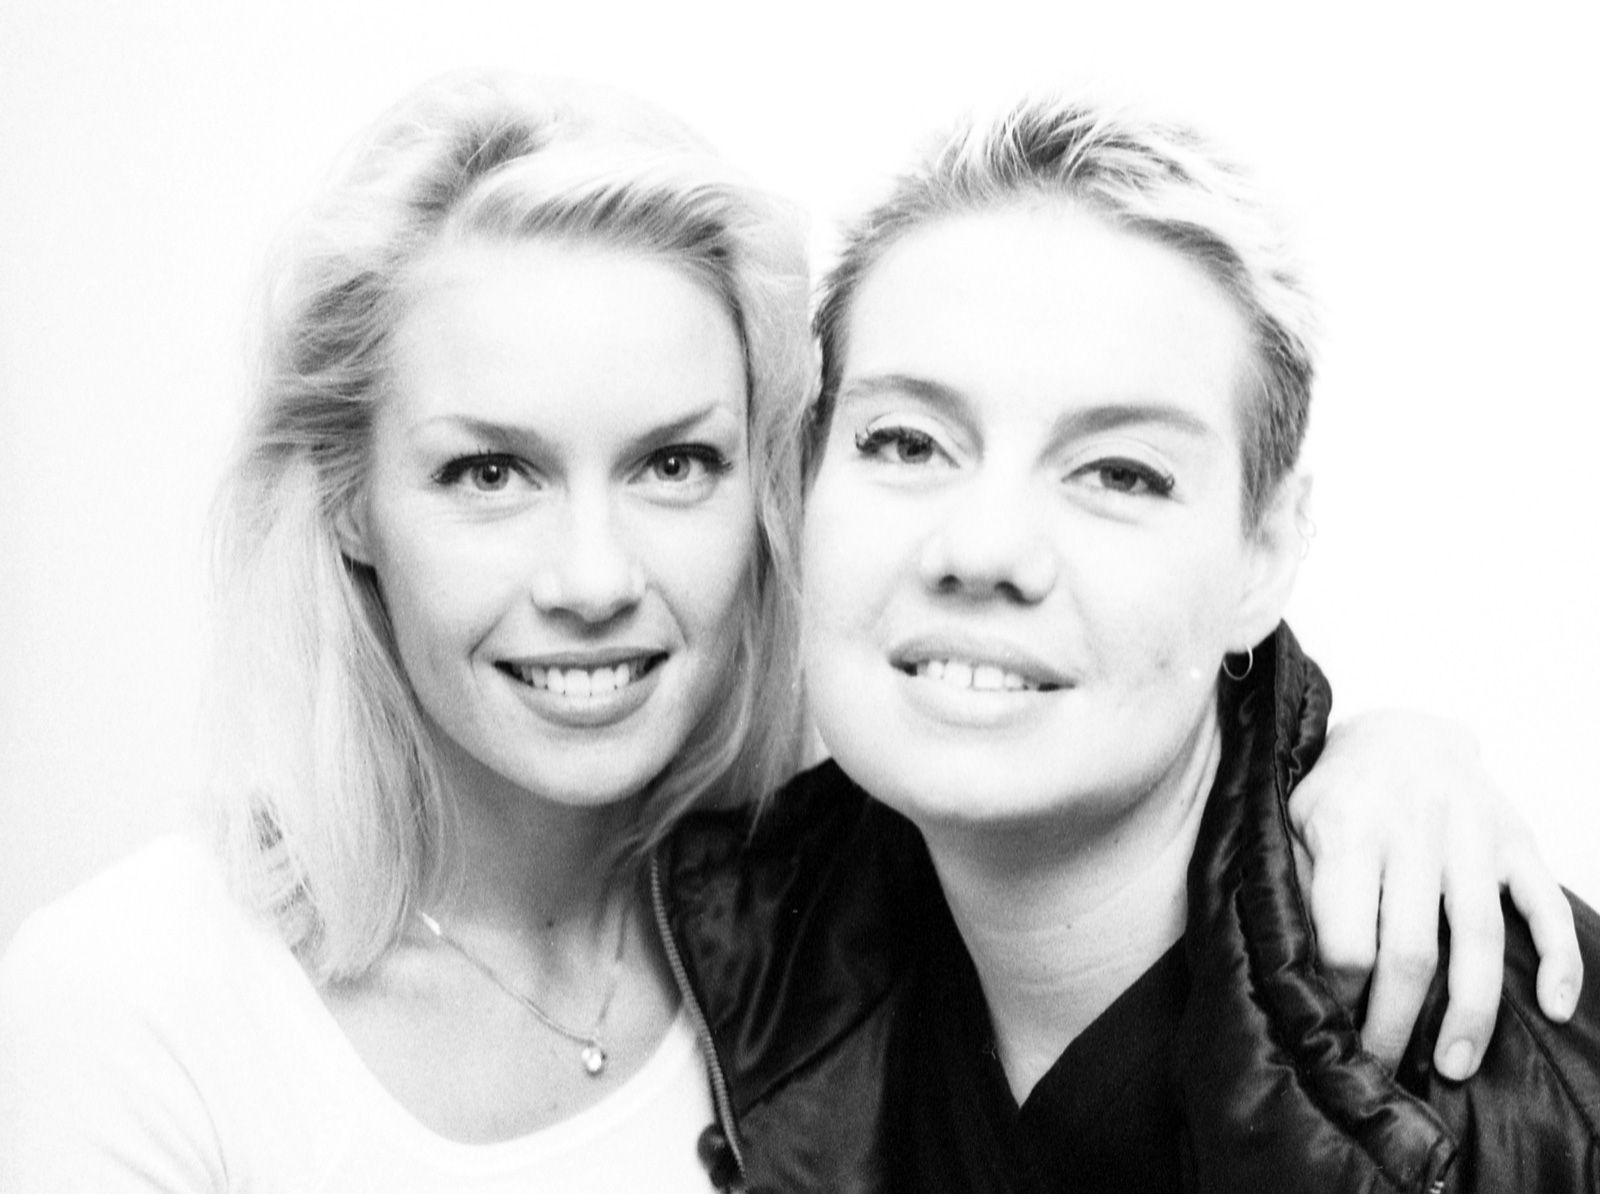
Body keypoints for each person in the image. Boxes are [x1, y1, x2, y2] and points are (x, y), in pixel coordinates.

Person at [0, 73, 1584, 1192]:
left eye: (676, 462)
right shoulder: (798, 930)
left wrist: (1376, 746)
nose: (591, 574)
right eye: (489, 469)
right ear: (348, 501)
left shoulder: (818, 900)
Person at [655, 98, 1600, 1192]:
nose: (984, 546)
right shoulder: (736, 941)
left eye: (1119, 472)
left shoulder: (1531, 1098)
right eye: (906, 441)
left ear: (1265, 551)